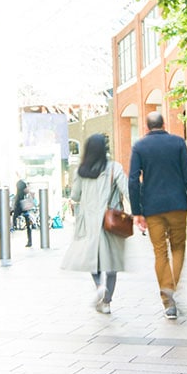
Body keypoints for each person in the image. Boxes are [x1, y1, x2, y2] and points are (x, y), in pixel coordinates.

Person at [129, 111, 187, 320]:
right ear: (164, 124)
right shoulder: (178, 143)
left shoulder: (139, 146)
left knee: (160, 252)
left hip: (152, 209)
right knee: (178, 248)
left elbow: (133, 180)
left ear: (146, 127)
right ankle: (172, 289)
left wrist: (137, 212)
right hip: (178, 205)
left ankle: (167, 299)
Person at [61, 134, 129, 314]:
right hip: (110, 221)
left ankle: (99, 286)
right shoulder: (115, 168)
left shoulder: (81, 171)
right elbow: (127, 190)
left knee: (93, 260)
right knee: (112, 264)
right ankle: (106, 302)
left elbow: (75, 196)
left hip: (89, 222)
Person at [12, 179, 35, 247]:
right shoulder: (25, 193)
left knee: (14, 219)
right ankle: (29, 241)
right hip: (25, 209)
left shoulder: (19, 194)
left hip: (19, 208)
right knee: (28, 226)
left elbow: (16, 205)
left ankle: (13, 228)